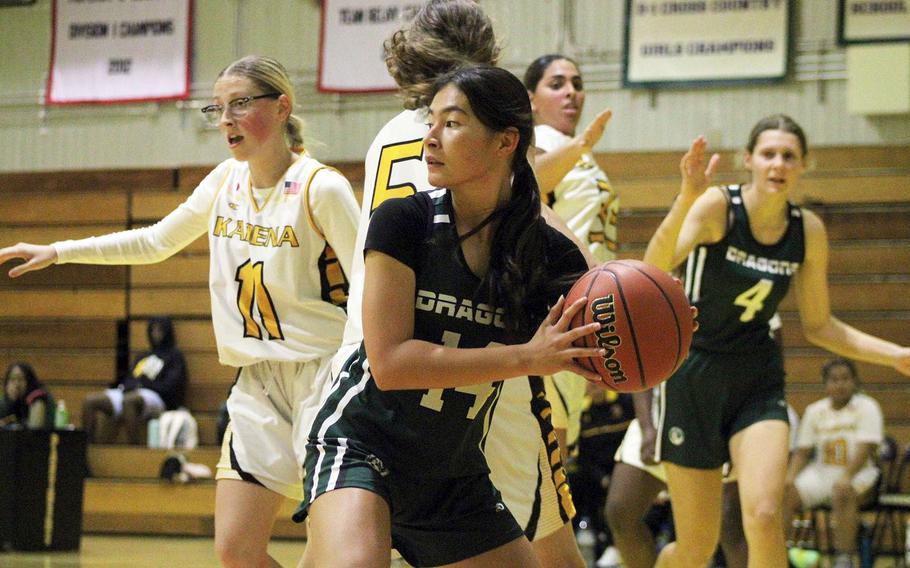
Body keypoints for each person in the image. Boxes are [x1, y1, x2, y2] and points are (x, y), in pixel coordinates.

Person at [0, 55, 360, 568]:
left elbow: (370, 282)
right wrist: (59, 250)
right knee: (236, 550)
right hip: (256, 381)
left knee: (333, 553)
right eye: (218, 108)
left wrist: (356, 364)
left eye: (241, 104)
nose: (227, 120)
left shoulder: (320, 187)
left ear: (283, 107)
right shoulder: (224, 182)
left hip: (324, 376)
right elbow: (153, 241)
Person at [297, 65, 603, 568]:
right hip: (362, 443)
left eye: (453, 123)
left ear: (506, 141)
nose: (431, 137)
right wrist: (526, 357)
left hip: (451, 471)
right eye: (431, 121)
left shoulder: (544, 251)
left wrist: (659, 326)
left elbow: (609, 316)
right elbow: (392, 364)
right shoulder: (404, 221)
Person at [643, 114, 910, 568]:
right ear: (748, 160)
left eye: (789, 155)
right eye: (768, 153)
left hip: (757, 380)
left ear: (805, 164)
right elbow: (653, 267)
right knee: (695, 548)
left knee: (765, 515)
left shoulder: (807, 231)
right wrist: (686, 199)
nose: (778, 163)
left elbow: (820, 326)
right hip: (693, 375)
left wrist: (897, 355)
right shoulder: (717, 207)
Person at [523, 53, 616, 507]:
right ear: (531, 99)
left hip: (583, 318)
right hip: (553, 312)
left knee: (554, 481)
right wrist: (580, 144)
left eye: (577, 83)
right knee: (548, 489)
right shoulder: (538, 142)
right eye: (557, 83)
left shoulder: (576, 151)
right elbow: (524, 186)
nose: (572, 92)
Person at [784, 358, 884, 568]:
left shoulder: (867, 407)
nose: (840, 384)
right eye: (834, 379)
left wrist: (847, 476)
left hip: (860, 472)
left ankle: (844, 557)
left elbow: (866, 448)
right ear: (825, 383)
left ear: (855, 381)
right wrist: (790, 478)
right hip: (822, 471)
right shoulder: (814, 410)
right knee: (786, 492)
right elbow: (803, 451)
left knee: (842, 489)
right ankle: (778, 551)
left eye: (845, 379)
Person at [81, 316, 187, 444]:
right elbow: (130, 378)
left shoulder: (174, 357)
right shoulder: (143, 356)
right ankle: (87, 445)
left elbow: (170, 387)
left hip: (156, 397)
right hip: (131, 391)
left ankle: (134, 447)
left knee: (129, 401)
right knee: (90, 401)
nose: (155, 334)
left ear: (167, 332)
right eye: (153, 330)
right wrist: (131, 385)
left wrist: (144, 384)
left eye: (159, 331)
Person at [0, 362, 54, 430]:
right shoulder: (6, 401)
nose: (16, 385)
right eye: (12, 379)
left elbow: (34, 431)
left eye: (21, 379)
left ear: (29, 382)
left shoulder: (37, 398)